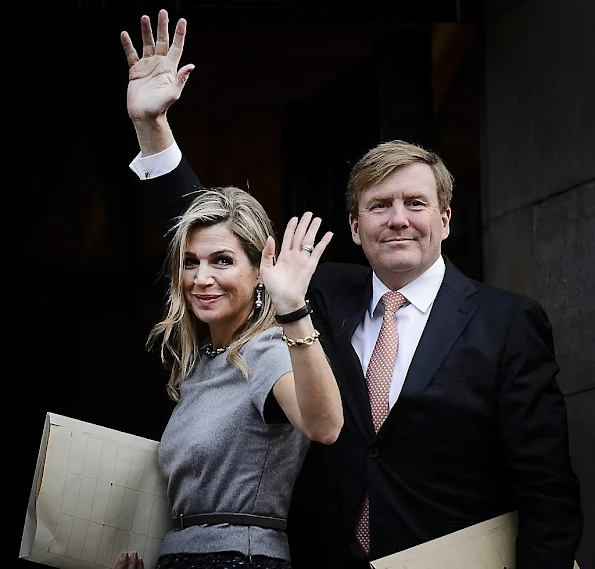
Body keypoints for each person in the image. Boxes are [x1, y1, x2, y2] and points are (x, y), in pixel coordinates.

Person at [119, 9, 583, 569]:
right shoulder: (313, 293)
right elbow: (216, 238)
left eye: (415, 203)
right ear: (356, 227)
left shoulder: (507, 323)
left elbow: (545, 484)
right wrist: (153, 127)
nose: (398, 219)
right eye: (378, 206)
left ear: (446, 220)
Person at [114, 13, 343, 569]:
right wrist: (150, 125)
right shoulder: (202, 363)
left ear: (259, 267)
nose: (201, 277)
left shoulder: (268, 351)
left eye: (222, 260)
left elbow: (324, 426)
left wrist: (294, 312)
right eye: (190, 262)